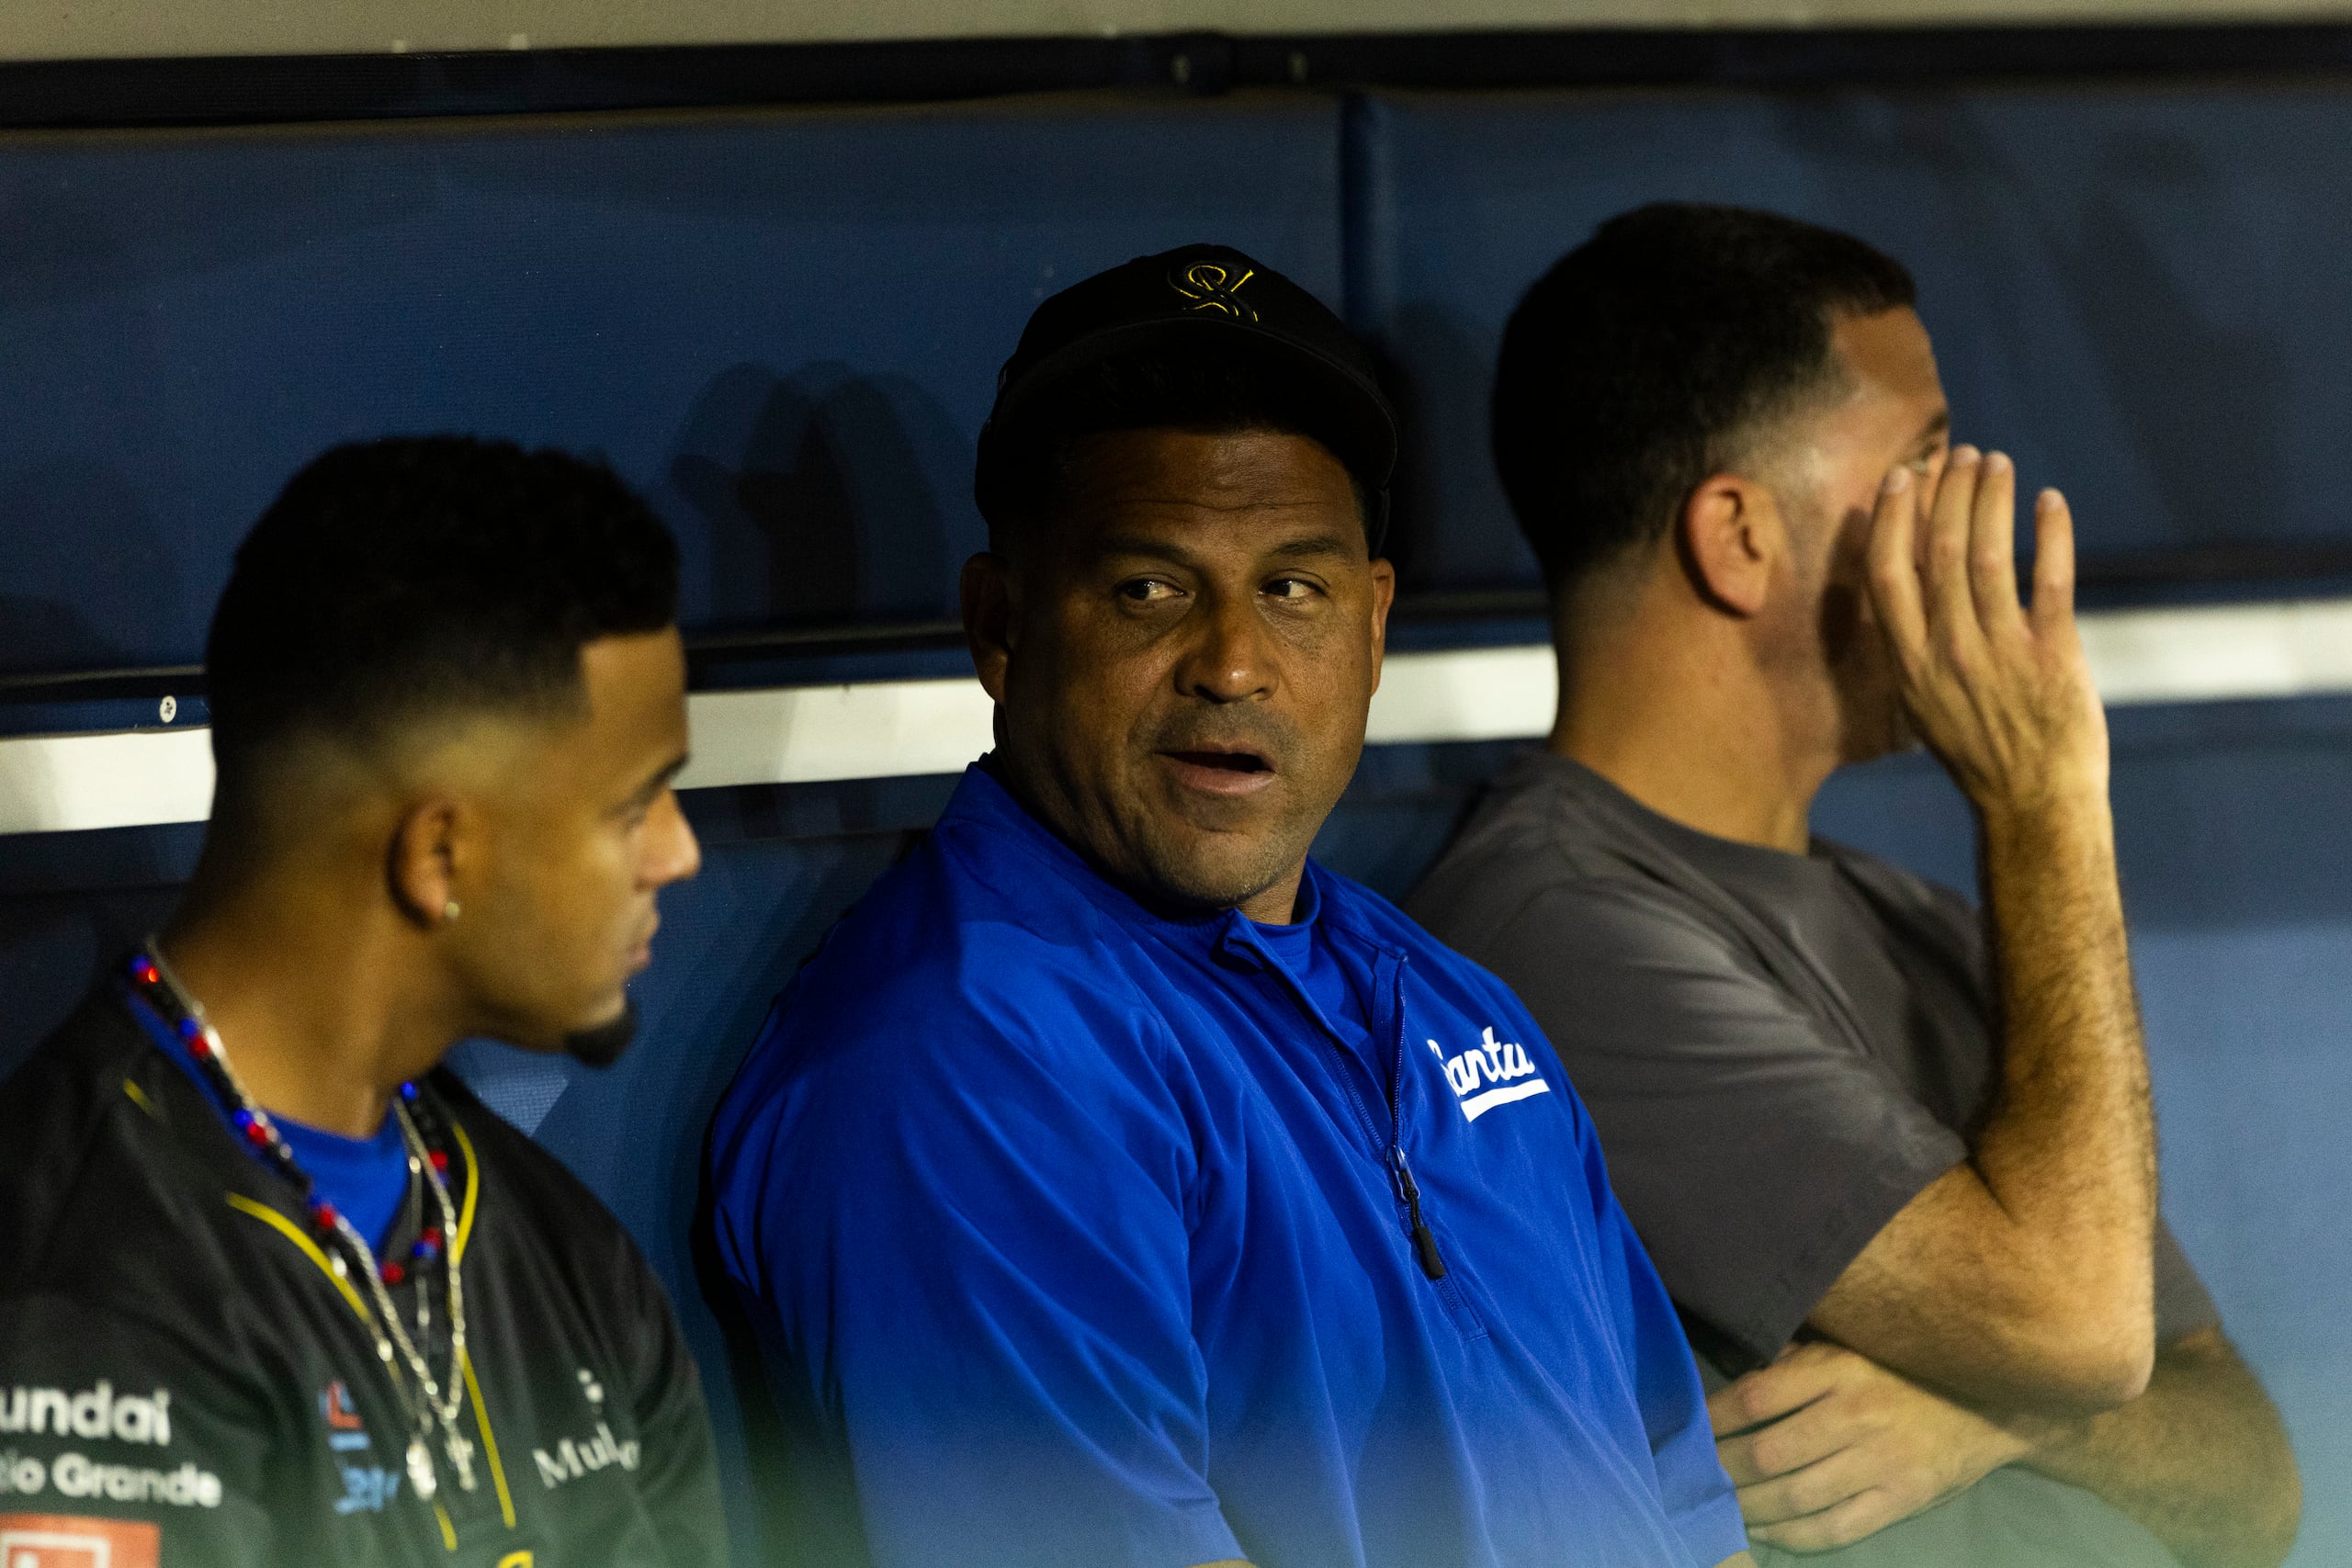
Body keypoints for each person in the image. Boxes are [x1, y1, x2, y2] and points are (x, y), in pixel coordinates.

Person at [707, 244, 1754, 1568]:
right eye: (1149, 587)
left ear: (1373, 629)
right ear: (1002, 622)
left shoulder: (1448, 995)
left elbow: (1685, 1510)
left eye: (1293, 588)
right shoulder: (966, 1059)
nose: (1234, 661)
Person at [1408, 203, 2301, 1568]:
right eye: (1923, 469)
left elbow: (2254, 1483)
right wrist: (2048, 795)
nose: (1966, 532)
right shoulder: (1543, 939)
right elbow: (2076, 1326)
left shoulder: (1918, 913)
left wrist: (2006, 1420)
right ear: (1740, 537)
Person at [0, 438, 725, 1564]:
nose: (679, 855)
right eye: (637, 805)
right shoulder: (73, 1310)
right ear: (440, 853)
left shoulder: (572, 1259)